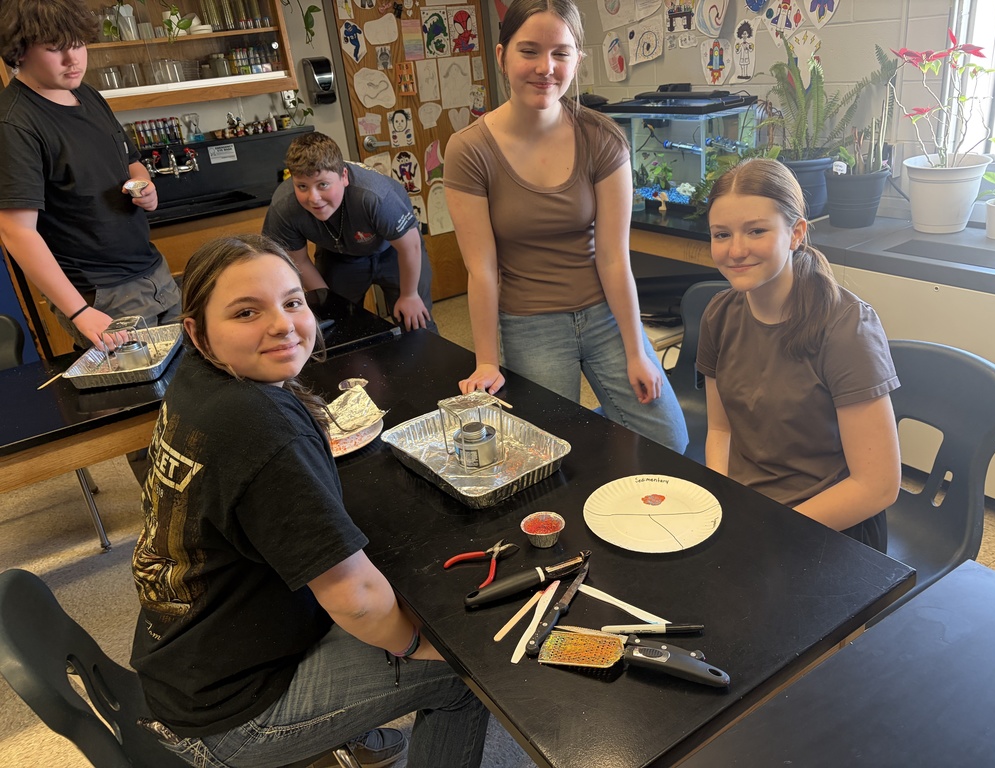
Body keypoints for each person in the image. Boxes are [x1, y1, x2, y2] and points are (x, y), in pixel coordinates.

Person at [130, 234, 488, 768]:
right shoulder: (258, 426)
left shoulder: (197, 382)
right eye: (247, 311)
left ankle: (343, 732)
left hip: (182, 664)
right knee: (465, 669)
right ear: (198, 331)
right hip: (230, 719)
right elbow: (356, 599)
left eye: (292, 302)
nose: (282, 324)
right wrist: (417, 646)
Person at [443, 0, 688, 454]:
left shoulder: (602, 138)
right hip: (530, 322)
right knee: (549, 452)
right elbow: (482, 269)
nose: (545, 68)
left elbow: (615, 257)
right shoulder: (470, 151)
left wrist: (637, 349)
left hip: (605, 315)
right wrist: (485, 361)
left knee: (669, 440)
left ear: (578, 60)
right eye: (529, 51)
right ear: (501, 57)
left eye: (561, 53)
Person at [699, 159, 901, 551]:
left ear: (795, 233)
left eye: (756, 231)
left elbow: (876, 486)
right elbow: (722, 430)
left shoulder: (847, 327)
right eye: (721, 234)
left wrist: (768, 530)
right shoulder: (719, 314)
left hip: (828, 527)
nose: (735, 250)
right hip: (747, 513)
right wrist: (726, 503)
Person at [0, 0, 180, 352]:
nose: (74, 60)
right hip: (101, 293)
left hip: (151, 271)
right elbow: (15, 231)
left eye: (78, 44)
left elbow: (129, 160)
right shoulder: (14, 124)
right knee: (149, 397)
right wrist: (80, 311)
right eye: (56, 49)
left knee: (191, 384)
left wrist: (144, 187)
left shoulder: (86, 93)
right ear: (18, 51)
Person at [262, 131, 436, 333]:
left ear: (344, 176)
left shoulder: (375, 196)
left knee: (416, 322)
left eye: (323, 185)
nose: (314, 198)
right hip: (339, 255)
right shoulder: (284, 207)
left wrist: (409, 295)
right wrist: (330, 303)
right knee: (337, 325)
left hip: (395, 252)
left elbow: (410, 246)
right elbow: (298, 261)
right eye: (302, 186)